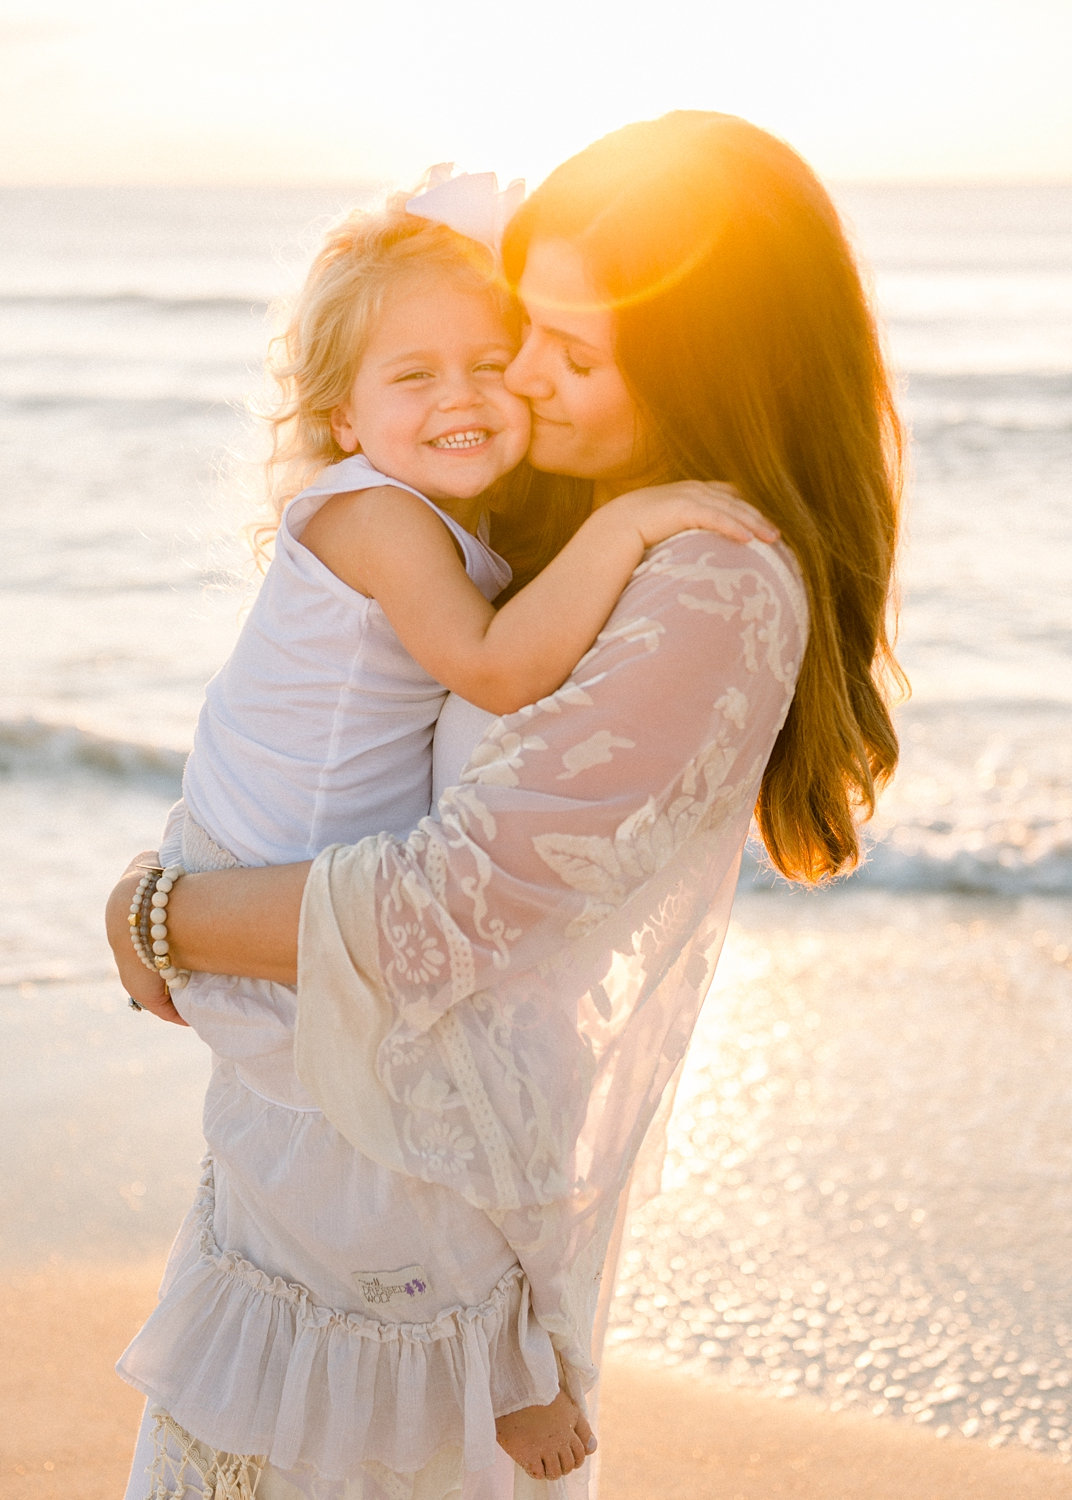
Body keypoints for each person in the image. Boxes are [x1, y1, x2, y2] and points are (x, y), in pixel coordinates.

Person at [107, 111, 904, 1500]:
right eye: (524, 332)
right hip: (332, 1207)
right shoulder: (546, 505)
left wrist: (157, 911)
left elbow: (446, 914)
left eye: (568, 354)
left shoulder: (708, 575)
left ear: (709, 370)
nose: (521, 382)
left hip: (414, 1257)